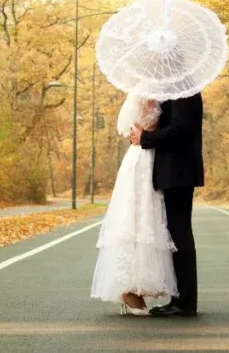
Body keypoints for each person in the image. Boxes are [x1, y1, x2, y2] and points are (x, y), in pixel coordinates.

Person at [90, 93, 177, 316]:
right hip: (142, 159)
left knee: (148, 218)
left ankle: (135, 288)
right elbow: (145, 124)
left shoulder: (158, 91)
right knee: (135, 219)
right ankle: (128, 289)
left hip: (151, 155)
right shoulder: (144, 92)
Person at [130, 92, 204, 317]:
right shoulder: (175, 90)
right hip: (172, 171)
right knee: (177, 233)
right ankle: (181, 299)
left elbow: (180, 130)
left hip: (178, 171)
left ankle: (184, 302)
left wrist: (146, 138)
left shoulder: (185, 91)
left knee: (180, 234)